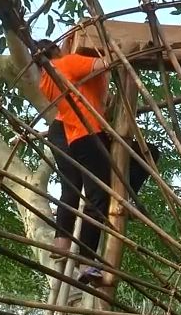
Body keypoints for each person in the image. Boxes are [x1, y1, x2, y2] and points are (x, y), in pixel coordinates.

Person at [36, 40, 156, 282]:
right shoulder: (69, 62)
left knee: (144, 154)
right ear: (58, 51)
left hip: (82, 135)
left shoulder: (45, 80)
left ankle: (123, 196)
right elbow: (109, 62)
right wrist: (128, 49)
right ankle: (86, 261)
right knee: (97, 196)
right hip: (87, 135)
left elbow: (89, 90)